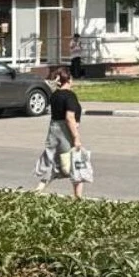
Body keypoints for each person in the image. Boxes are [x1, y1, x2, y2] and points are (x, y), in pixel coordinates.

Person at [33, 67, 85, 198]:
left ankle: (37, 191)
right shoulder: (70, 96)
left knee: (54, 164)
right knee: (76, 165)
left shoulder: (55, 95)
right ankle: (78, 199)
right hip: (66, 133)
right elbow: (69, 118)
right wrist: (76, 137)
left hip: (54, 131)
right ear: (69, 79)